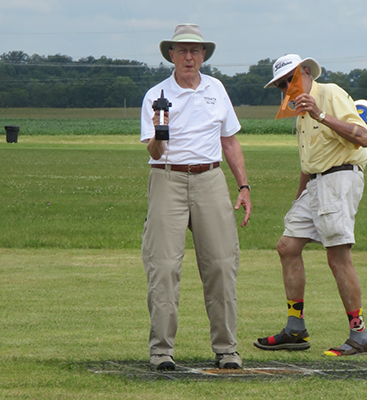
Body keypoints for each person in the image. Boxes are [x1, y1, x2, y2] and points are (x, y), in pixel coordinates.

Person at [140, 23, 251, 371]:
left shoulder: (217, 90)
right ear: (171, 55)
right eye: (182, 51)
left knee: (220, 265)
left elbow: (230, 141)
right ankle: (161, 351)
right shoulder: (156, 95)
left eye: (195, 51)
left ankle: (227, 349)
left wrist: (243, 186)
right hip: (167, 177)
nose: (189, 57)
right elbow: (155, 152)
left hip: (211, 178)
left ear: (203, 56)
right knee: (164, 266)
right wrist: (161, 129)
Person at [254, 54, 367, 357]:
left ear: (306, 73)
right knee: (287, 246)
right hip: (316, 183)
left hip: (339, 178)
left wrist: (321, 115)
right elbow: (308, 164)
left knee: (337, 257)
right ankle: (296, 328)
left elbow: (363, 137)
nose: (286, 89)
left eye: (290, 80)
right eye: (281, 85)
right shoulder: (299, 112)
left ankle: (359, 335)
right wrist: (298, 198)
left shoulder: (329, 94)